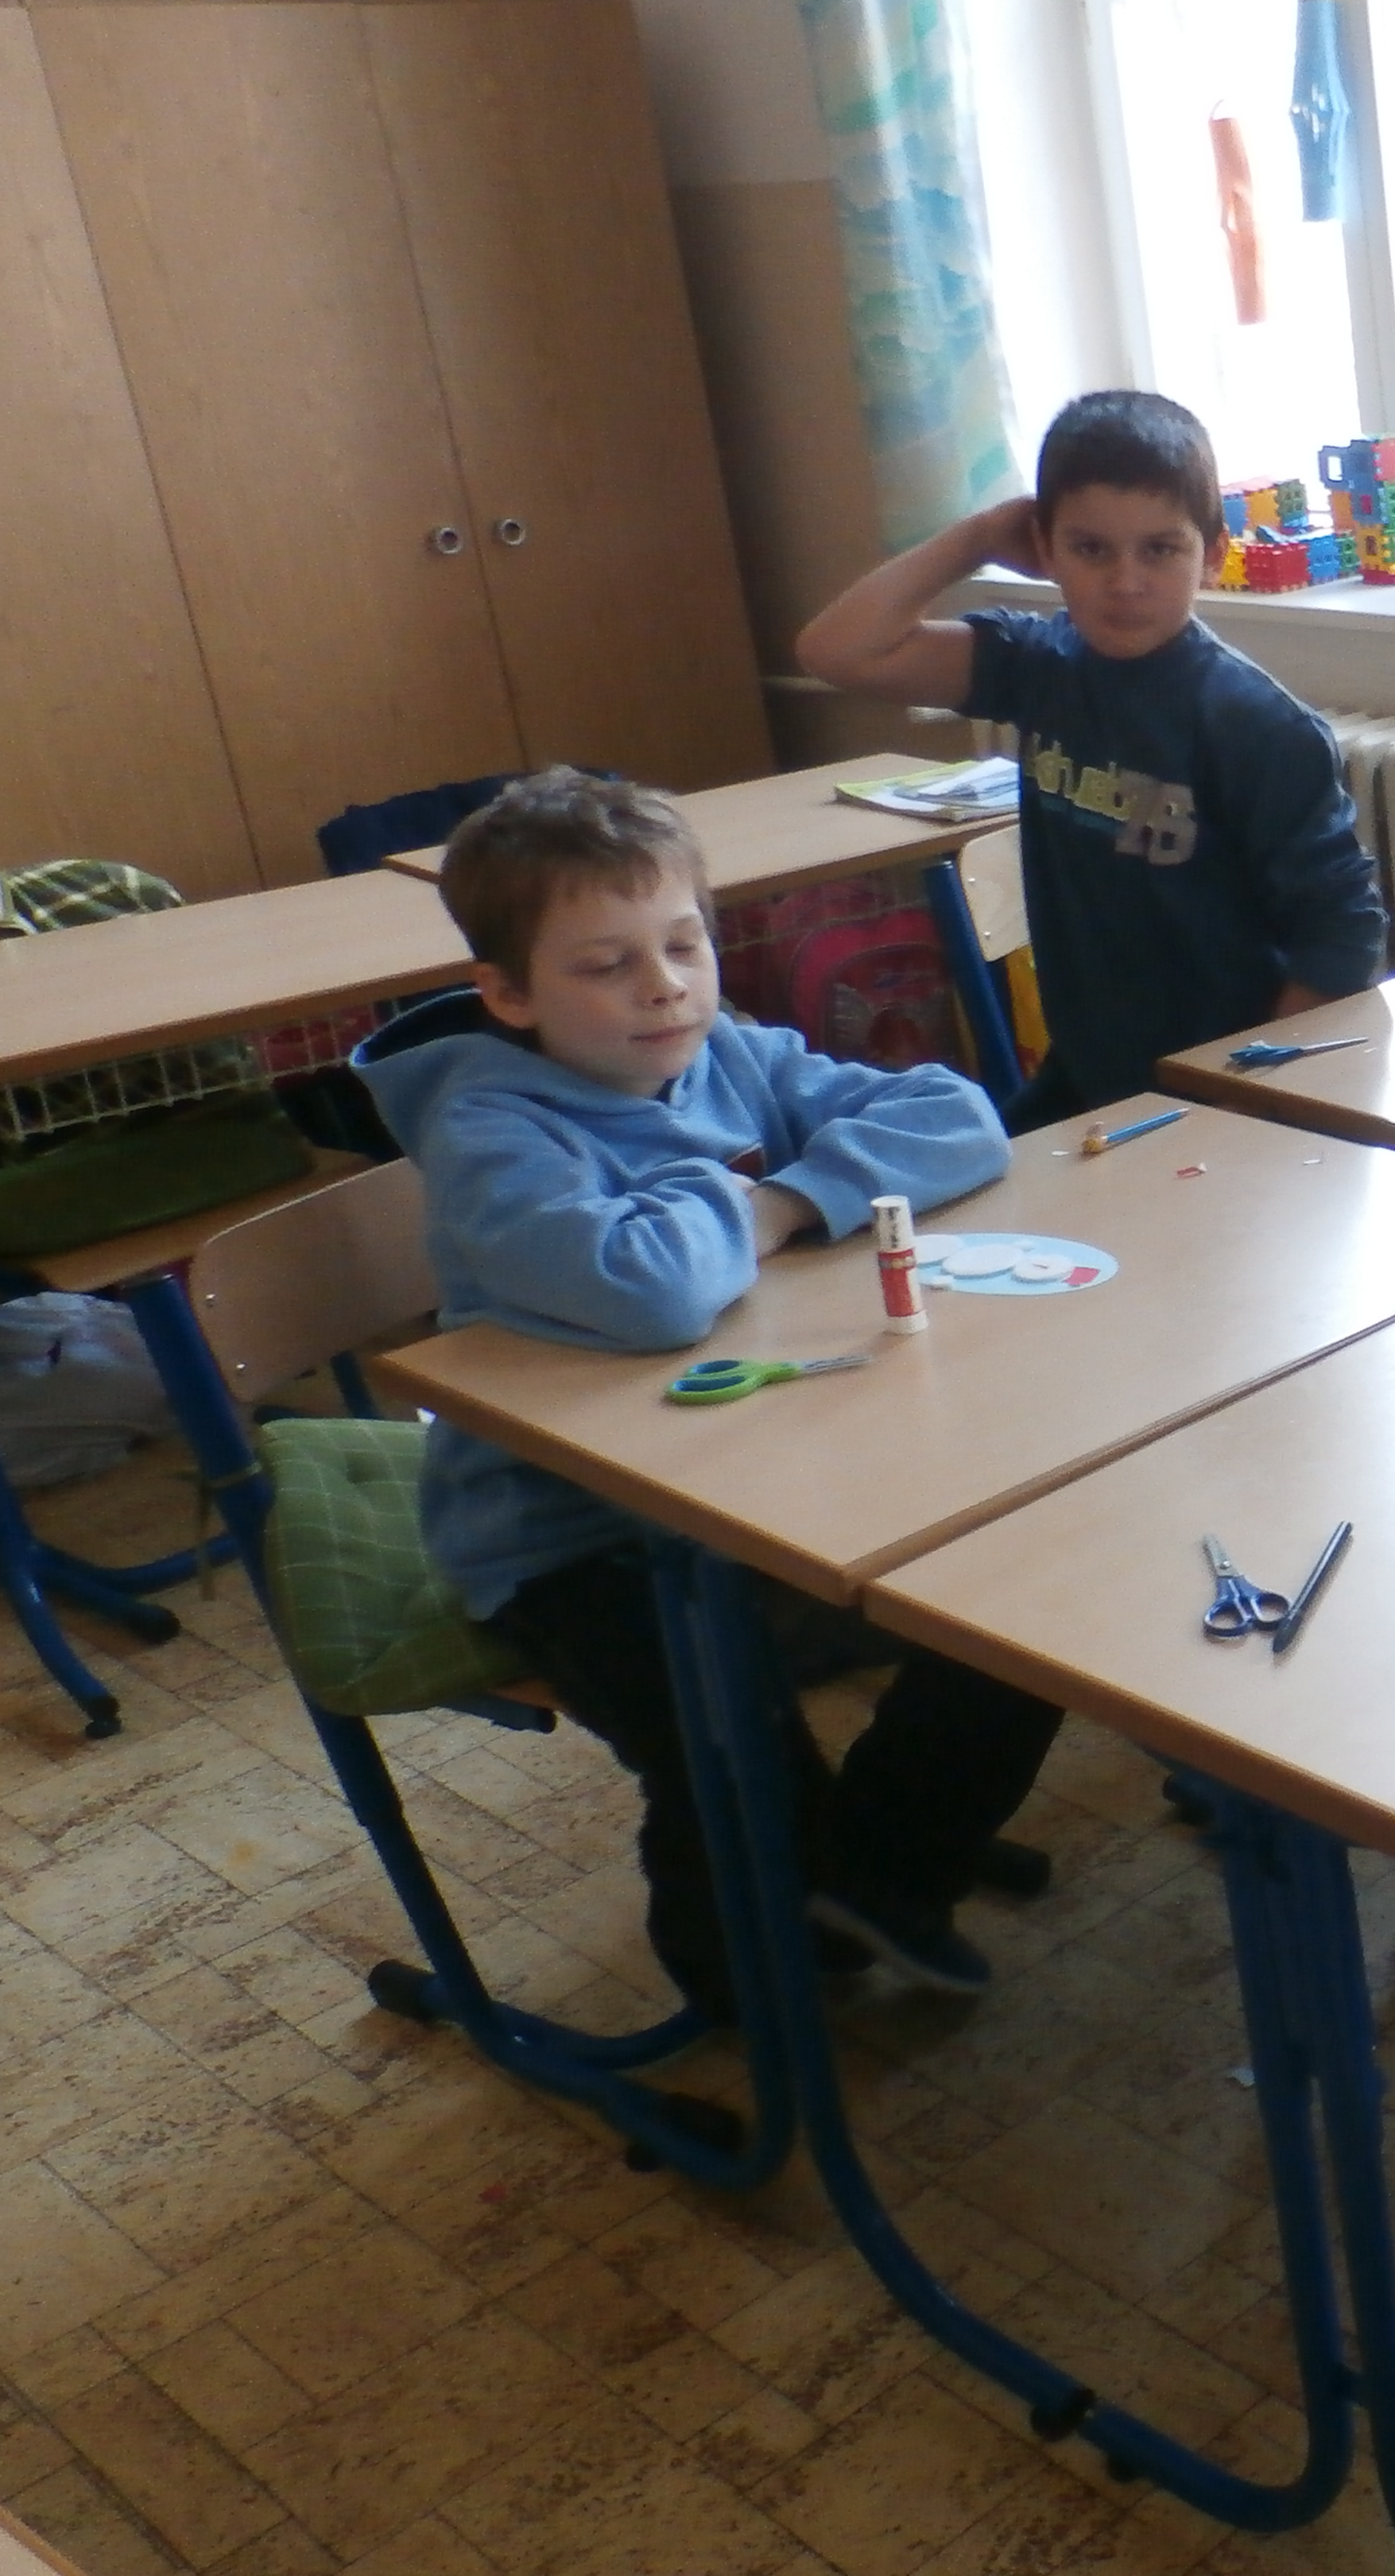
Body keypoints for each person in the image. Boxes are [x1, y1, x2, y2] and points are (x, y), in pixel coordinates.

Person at [363, 769, 1065, 2019]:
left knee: (1024, 1601)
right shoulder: (492, 1133)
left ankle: (878, 1865)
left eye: (685, 945)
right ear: (509, 994)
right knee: (724, 1728)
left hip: (766, 1477)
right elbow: (648, 1286)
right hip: (571, 1538)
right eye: (607, 965)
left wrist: (782, 1199)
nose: (666, 988)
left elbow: (959, 1118)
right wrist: (743, 1196)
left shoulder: (729, 1052)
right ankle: (736, 1973)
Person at [796, 390, 1390, 1126]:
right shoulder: (1037, 665)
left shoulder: (1259, 726)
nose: (1125, 582)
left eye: (1160, 549)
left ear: (1214, 554)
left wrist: (1243, 1096)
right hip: (1092, 1079)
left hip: (1222, 1092)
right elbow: (836, 651)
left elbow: (1341, 938)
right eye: (1090, 549)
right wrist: (982, 535)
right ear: (1045, 550)